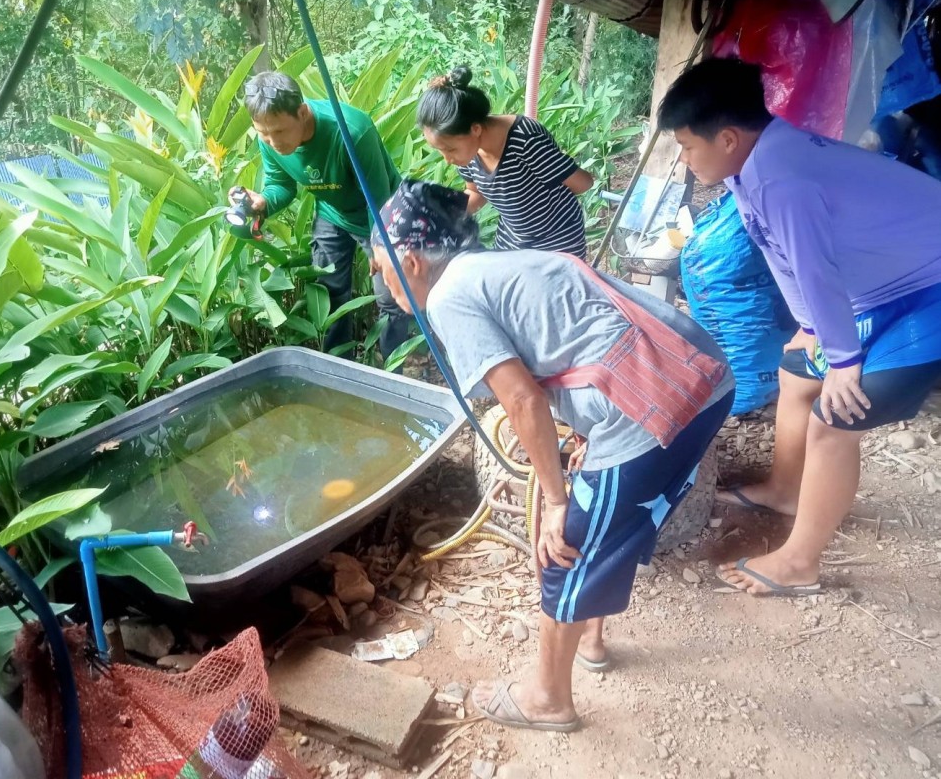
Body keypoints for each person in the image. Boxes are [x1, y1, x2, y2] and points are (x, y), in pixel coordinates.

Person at [371, 179, 734, 731]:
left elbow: (521, 399)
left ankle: (548, 698)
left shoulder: (448, 298)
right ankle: (590, 640)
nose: (381, 280)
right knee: (615, 522)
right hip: (697, 373)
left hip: (657, 399)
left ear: (411, 260)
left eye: (381, 266)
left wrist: (557, 497)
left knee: (566, 545)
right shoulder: (492, 265)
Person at [658, 57, 941, 598]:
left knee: (836, 415)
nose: (685, 161)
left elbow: (816, 269)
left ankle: (800, 562)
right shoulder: (751, 165)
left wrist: (843, 361)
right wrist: (811, 329)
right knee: (796, 373)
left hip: (930, 290)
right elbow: (781, 255)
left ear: (727, 137)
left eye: (689, 147)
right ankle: (787, 490)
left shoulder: (783, 178)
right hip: (888, 284)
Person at [238, 71, 411, 361]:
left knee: (390, 296)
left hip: (381, 213)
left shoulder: (352, 132)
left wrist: (380, 245)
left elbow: (377, 198)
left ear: (303, 113)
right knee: (329, 294)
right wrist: (264, 202)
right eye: (263, 133)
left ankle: (394, 370)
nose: (272, 141)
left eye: (279, 132)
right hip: (333, 213)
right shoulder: (268, 140)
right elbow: (281, 185)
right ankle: (338, 369)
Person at [416, 66, 595, 257]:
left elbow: (583, 184)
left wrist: (556, 170)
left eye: (450, 149)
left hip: (557, 241)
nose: (448, 160)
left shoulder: (525, 140)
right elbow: (475, 191)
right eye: (440, 150)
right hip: (513, 239)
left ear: (475, 129)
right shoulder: (469, 152)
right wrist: (442, 214)